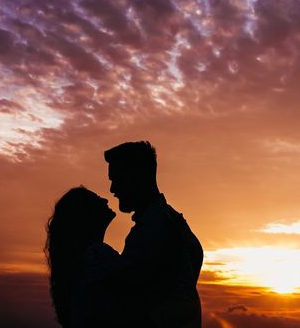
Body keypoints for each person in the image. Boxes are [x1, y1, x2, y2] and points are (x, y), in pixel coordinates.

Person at [105, 140, 203, 328]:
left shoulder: (154, 230)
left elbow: (131, 303)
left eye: (116, 179)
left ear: (137, 177)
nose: (112, 189)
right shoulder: (175, 224)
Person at [45, 186, 128, 328]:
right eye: (96, 200)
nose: (105, 199)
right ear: (85, 215)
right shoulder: (96, 256)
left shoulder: (84, 261)